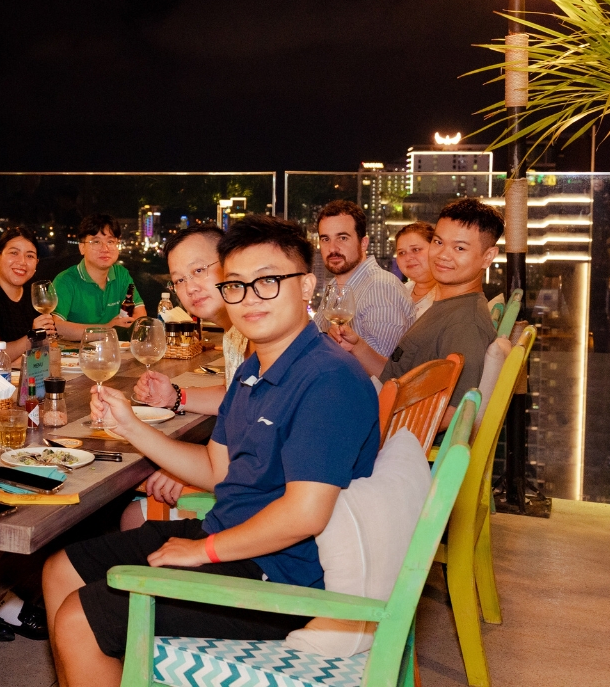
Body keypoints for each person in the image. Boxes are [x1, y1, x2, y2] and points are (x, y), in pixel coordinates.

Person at [40, 214, 379, 687]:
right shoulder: (254, 369)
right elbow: (217, 470)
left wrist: (204, 551)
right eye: (236, 285)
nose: (249, 298)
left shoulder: (327, 379)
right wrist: (131, 426)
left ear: (306, 287)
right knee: (61, 570)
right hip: (232, 534)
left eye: (268, 282)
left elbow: (305, 514)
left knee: (81, 617)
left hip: (278, 576)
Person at [329, 198, 502, 417]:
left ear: (488, 257)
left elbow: (455, 415)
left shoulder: (464, 324)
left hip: (393, 435)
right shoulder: (444, 306)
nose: (443, 255)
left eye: (459, 248)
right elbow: (397, 377)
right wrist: (357, 346)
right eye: (439, 243)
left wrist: (377, 425)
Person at [125, 223, 242, 529]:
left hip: (248, 503)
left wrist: (184, 465)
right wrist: (176, 396)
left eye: (199, 270)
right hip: (235, 475)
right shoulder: (234, 335)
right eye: (179, 279)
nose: (190, 287)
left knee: (132, 515)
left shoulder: (254, 336)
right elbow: (236, 397)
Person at [312, 199, 412, 357]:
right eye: (325, 239)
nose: (332, 248)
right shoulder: (334, 286)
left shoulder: (381, 287)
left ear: (363, 243)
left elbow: (381, 369)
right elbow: (314, 337)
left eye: (343, 238)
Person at [0, 226, 56, 364]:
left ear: (37, 263)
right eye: (14, 253)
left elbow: (44, 351)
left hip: (27, 377)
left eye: (30, 256)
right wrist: (31, 337)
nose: (22, 262)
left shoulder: (33, 295)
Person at [52, 214, 146, 341]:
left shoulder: (121, 275)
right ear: (82, 247)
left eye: (111, 241)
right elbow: (56, 326)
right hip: (74, 356)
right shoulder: (65, 280)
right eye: (96, 242)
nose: (105, 248)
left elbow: (139, 313)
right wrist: (106, 329)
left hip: (114, 353)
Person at [395, 221, 437, 320]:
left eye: (416, 250)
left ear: (435, 249)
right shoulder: (400, 291)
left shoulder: (447, 295)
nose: (408, 258)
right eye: (401, 253)